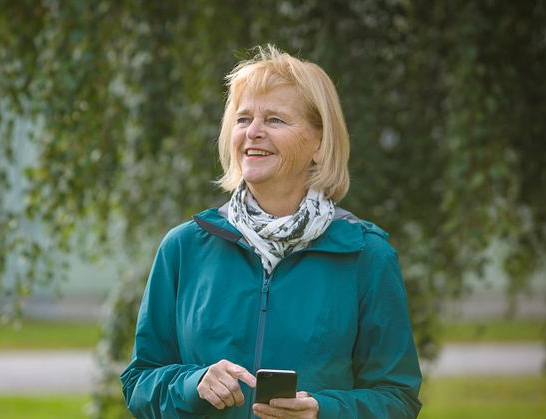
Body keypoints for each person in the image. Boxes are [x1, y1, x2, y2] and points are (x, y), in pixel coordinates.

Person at [120, 45, 422, 419]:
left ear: (319, 144)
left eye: (275, 120)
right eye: (243, 119)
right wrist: (192, 384)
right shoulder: (183, 248)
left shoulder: (366, 255)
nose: (254, 133)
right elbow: (138, 382)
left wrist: (322, 411)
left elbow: (397, 398)